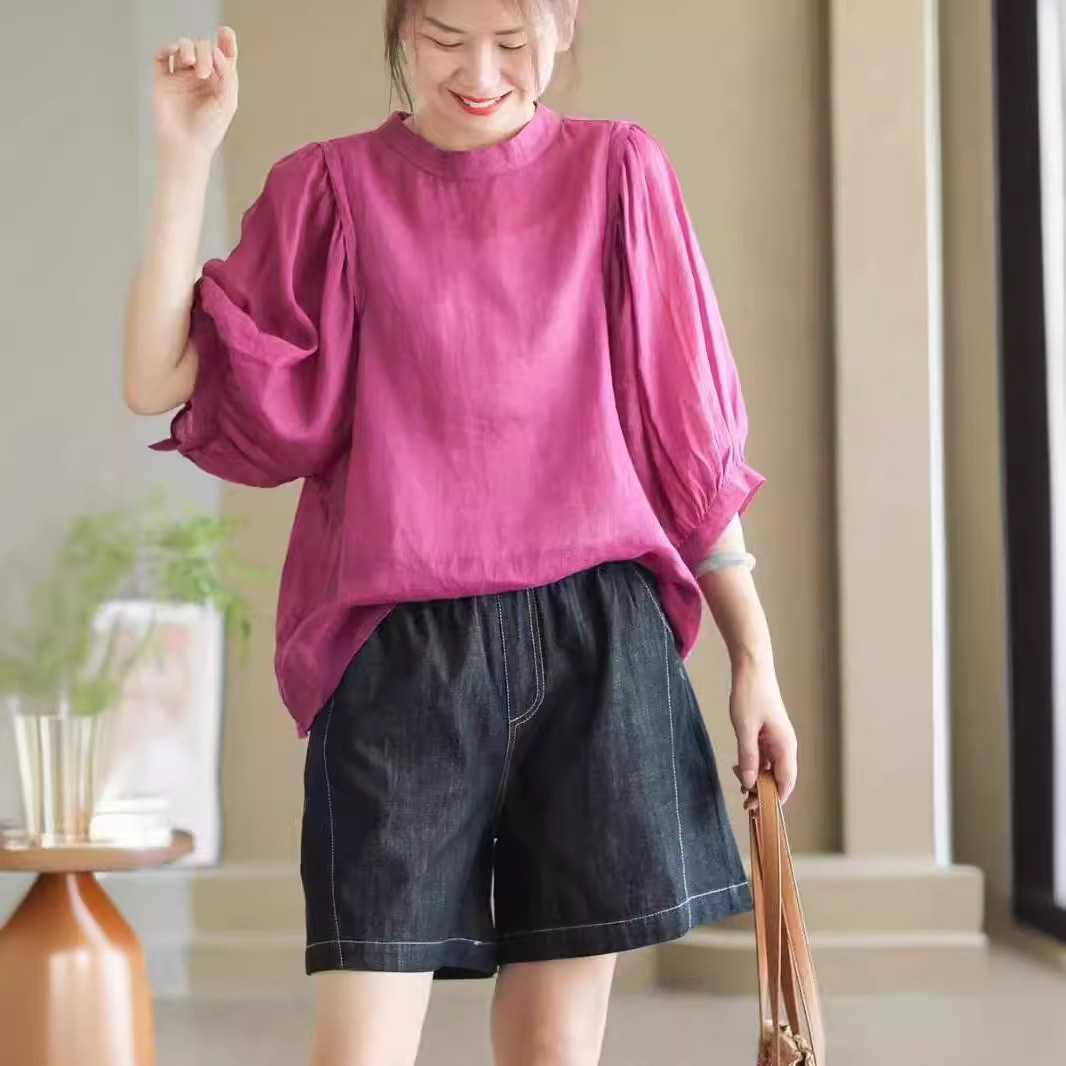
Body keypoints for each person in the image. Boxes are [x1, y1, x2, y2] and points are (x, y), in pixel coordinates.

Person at [123, 3, 799, 1064]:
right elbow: (154, 379)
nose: (480, 72)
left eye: (512, 41)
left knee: (553, 1047)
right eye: (444, 37)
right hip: (400, 657)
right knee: (359, 1049)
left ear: (563, 25)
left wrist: (753, 658)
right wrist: (185, 154)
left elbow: (690, 443)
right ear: (400, 28)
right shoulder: (332, 190)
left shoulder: (619, 174)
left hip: (596, 645)